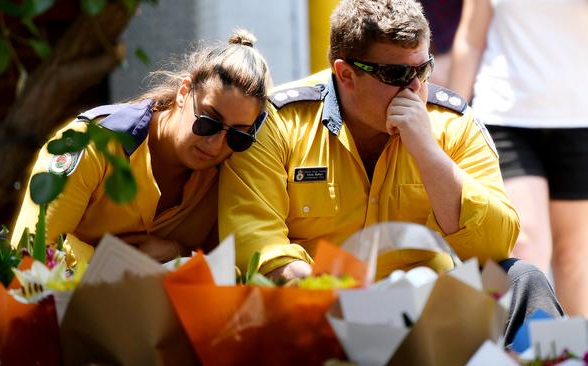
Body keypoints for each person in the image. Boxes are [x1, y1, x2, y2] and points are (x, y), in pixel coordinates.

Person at [219, 0, 562, 345]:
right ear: (346, 74)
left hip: (427, 321)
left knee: (522, 278)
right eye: (397, 75)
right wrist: (341, 302)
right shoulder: (279, 122)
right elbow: (257, 246)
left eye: (423, 70)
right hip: (317, 315)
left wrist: (428, 154)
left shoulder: (452, 124)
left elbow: (496, 246)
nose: (414, 87)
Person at [11, 29, 271, 265]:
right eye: (209, 121)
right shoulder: (91, 142)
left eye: (238, 136)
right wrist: (118, 263)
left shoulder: (234, 170)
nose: (216, 145)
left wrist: (178, 252)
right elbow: (29, 252)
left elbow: (234, 271)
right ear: (184, 92)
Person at [447, 0, 588, 316]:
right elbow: (470, 40)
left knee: (573, 259)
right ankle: (519, 354)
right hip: (503, 114)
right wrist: (452, 122)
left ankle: (571, 356)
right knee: (524, 246)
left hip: (579, 118)